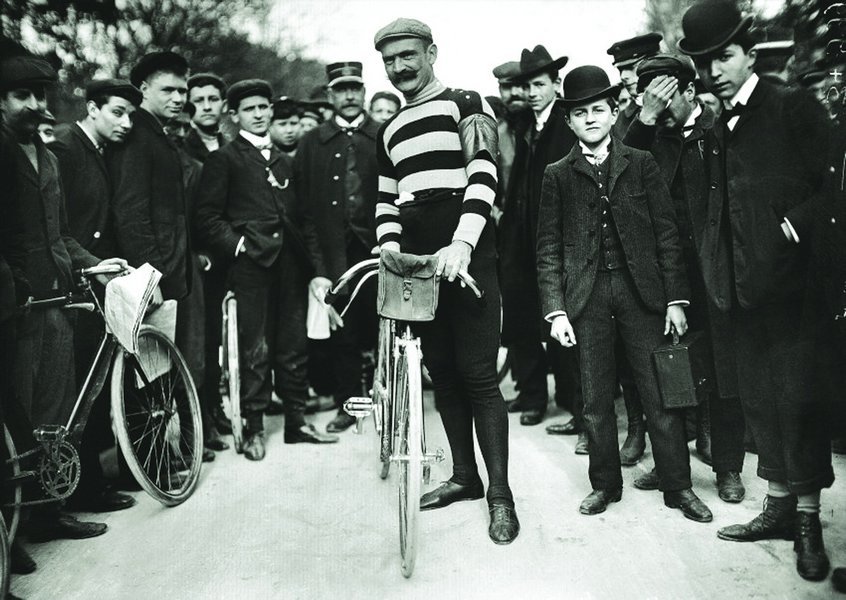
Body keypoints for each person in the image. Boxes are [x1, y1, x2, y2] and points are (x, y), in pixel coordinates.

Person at [678, 0, 834, 581]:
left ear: (747, 53)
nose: (715, 70)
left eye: (725, 56)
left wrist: (794, 223)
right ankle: (776, 508)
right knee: (761, 402)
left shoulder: (792, 106)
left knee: (799, 403)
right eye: (705, 62)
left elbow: (833, 185)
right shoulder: (717, 127)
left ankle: (809, 524)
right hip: (740, 292)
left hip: (794, 293)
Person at [535, 64, 712, 523]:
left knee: (660, 396)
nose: (590, 118)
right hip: (586, 300)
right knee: (594, 400)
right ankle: (604, 485)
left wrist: (675, 299)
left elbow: (666, 234)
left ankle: (679, 487)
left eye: (599, 109)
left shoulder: (641, 162)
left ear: (615, 113)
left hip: (643, 297)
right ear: (568, 121)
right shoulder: (557, 174)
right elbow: (548, 248)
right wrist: (556, 312)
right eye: (580, 113)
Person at [373, 17, 518, 544]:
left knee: (480, 376)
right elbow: (387, 199)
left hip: (467, 254)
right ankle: (465, 478)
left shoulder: (466, 102)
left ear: (432, 52)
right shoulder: (388, 128)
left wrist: (464, 243)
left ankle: (501, 496)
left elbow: (484, 171)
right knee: (444, 377)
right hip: (417, 264)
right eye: (389, 60)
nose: (399, 67)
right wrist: (389, 245)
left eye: (409, 55)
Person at [1, 51, 127, 542]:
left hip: (56, 306)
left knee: (53, 417)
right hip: (15, 310)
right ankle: (11, 533)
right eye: (21, 96)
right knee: (16, 422)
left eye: (40, 95)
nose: (34, 105)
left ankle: (49, 514)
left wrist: (93, 264)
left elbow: (59, 236)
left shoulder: (49, 158)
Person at [623, 54, 747, 504]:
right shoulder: (647, 136)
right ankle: (670, 462)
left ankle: (729, 467)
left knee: (723, 369)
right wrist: (646, 117)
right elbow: (618, 170)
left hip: (715, 270)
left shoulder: (717, 131)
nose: (656, 100)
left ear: (691, 91)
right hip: (665, 273)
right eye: (648, 92)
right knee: (668, 369)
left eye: (666, 91)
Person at [195, 79, 338, 461]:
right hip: (250, 268)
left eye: (264, 107)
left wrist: (318, 270)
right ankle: (254, 428)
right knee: (254, 347)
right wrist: (238, 246)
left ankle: (296, 422)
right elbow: (206, 218)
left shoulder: (284, 161)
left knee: (294, 345)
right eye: (250, 109)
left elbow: (305, 220)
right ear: (235, 114)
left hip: (291, 266)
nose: (259, 114)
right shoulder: (224, 159)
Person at [50, 77, 145, 508]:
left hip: (94, 278)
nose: (125, 123)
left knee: (95, 377)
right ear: (92, 108)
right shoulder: (66, 148)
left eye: (130, 115)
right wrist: (91, 264)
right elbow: (57, 226)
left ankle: (96, 478)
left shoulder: (103, 151)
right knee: (78, 386)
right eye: (117, 112)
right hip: (69, 281)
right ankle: (83, 489)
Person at [294, 61, 380, 434]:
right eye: (341, 89)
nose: (349, 96)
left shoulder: (383, 134)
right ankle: (350, 404)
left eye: (355, 88)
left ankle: (390, 399)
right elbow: (303, 211)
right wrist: (318, 267)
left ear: (364, 92)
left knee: (385, 325)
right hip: (334, 253)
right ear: (330, 95)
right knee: (342, 330)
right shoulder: (313, 143)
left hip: (378, 247)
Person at [498, 45, 580, 431]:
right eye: (526, 85)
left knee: (563, 318)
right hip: (519, 236)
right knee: (521, 317)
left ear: (555, 85)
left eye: (538, 84)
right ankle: (532, 397)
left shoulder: (566, 123)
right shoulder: (524, 125)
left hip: (556, 237)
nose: (531, 92)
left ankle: (575, 404)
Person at [184, 71, 232, 454]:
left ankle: (215, 410)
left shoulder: (229, 146)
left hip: (225, 254)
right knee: (197, 342)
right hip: (198, 259)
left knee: (216, 338)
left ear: (223, 104)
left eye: (212, 99)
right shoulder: (183, 149)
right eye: (197, 100)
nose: (205, 107)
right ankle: (198, 419)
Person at [606, 33, 663, 139]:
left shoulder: (684, 103)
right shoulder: (619, 124)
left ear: (656, 63)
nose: (623, 76)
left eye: (631, 67)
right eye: (620, 70)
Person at [185, 72, 228, 163]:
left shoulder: (233, 147)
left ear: (224, 106)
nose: (207, 107)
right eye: (198, 101)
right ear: (188, 108)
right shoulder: (180, 147)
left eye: (213, 99)